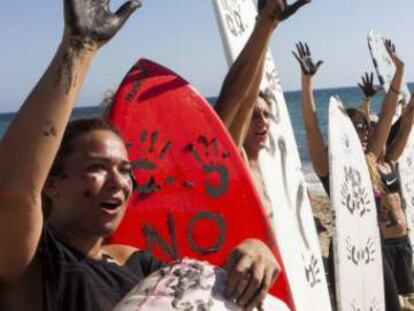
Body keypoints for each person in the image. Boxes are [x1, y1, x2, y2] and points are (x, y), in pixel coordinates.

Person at [0, 1, 281, 311]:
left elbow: (196, 293)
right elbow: (14, 190)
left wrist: (254, 249)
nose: (119, 182)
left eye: (125, 169)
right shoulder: (35, 263)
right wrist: (79, 48)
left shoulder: (133, 261)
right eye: (98, 167)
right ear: (51, 183)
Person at [293, 40, 406, 310]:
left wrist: (399, 69)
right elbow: (311, 128)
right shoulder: (330, 169)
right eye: (357, 128)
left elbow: (389, 111)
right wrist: (307, 81)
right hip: (346, 255)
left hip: (375, 249)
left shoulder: (369, 160)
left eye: (366, 127)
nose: (365, 131)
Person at [215, 0, 311, 222]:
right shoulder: (236, 162)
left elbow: (250, 98)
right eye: (254, 115)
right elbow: (240, 98)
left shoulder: (266, 168)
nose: (263, 122)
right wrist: (265, 24)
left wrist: (270, 26)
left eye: (267, 115)